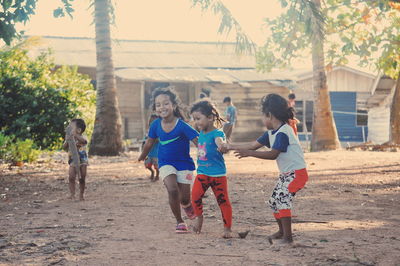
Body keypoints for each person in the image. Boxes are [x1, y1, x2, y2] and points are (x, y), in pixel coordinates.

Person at [225, 93, 308, 245]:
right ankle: (282, 231)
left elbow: (273, 154)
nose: (263, 120)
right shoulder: (271, 133)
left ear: (270, 115)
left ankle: (288, 238)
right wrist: (229, 146)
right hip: (286, 175)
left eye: (263, 116)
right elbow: (252, 144)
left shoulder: (284, 132)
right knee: (273, 201)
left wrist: (249, 154)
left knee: (282, 200)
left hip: (297, 174)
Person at [138, 86, 199, 233]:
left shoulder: (182, 126)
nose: (162, 107)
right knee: (172, 190)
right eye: (158, 105)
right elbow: (149, 142)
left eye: (166, 103)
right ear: (155, 108)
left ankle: (186, 205)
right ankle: (179, 221)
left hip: (184, 164)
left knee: (184, 198)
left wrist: (208, 152)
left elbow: (198, 141)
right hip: (165, 162)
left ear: (174, 105)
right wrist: (142, 156)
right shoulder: (155, 125)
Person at [190, 100, 233, 238]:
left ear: (210, 118)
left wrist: (221, 145)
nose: (196, 122)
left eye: (198, 119)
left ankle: (227, 228)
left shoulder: (217, 133)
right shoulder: (201, 132)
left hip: (218, 174)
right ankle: (199, 218)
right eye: (194, 119)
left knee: (223, 201)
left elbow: (219, 141)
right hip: (202, 173)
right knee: (195, 196)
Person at [63, 119, 88, 201]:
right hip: (73, 160)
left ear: (79, 130)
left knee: (82, 177)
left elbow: (84, 142)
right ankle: (72, 194)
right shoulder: (69, 137)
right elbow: (64, 147)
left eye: (71, 127)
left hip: (82, 160)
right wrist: (67, 140)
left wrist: (76, 136)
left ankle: (81, 194)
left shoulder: (83, 137)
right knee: (71, 177)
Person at [144, 114, 160, 182]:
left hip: (156, 153)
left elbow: (157, 140)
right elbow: (146, 140)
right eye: (151, 122)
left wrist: (152, 139)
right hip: (149, 153)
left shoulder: (159, 131)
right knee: (147, 165)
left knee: (156, 166)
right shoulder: (149, 131)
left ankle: (157, 175)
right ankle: (152, 172)